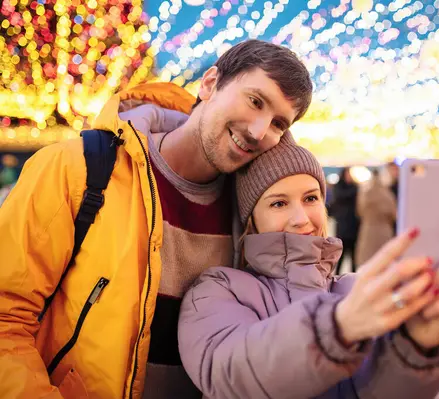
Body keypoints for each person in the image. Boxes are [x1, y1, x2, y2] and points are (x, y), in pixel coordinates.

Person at [0, 40, 313, 398]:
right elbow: (6, 316)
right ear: (210, 83)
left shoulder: (250, 213)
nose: (259, 131)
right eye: (255, 101)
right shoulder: (76, 170)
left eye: (277, 124)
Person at [178, 140, 439, 399]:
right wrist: (337, 327)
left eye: (311, 198)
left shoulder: (353, 290)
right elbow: (231, 375)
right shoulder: (218, 290)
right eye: (278, 203)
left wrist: (418, 347)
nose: (301, 218)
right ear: (251, 218)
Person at [355, 169, 397, 266]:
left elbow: (359, 211)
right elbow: (394, 214)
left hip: (368, 231)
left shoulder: (365, 193)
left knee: (366, 263)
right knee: (384, 263)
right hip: (384, 231)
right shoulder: (388, 195)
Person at [330, 167, 360, 273]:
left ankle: (353, 276)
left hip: (353, 226)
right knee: (341, 255)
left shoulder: (354, 188)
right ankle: (337, 275)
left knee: (353, 256)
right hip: (343, 226)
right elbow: (342, 196)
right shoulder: (340, 188)